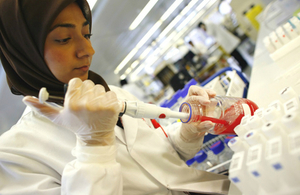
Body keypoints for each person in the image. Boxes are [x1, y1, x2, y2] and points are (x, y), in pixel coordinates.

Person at [0, 0, 229, 194]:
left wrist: (186, 134)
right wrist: (93, 148)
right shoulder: (14, 155)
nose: (88, 49)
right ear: (24, 51)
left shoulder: (113, 93)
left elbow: (160, 160)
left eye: (86, 34)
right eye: (64, 39)